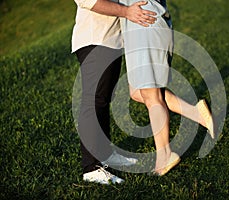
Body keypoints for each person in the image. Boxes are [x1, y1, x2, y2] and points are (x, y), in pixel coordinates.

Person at [120, 0, 215, 175]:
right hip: (136, 24)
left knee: (151, 94)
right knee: (136, 92)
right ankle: (197, 114)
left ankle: (165, 155)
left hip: (145, 23)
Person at [71, 0, 157, 184]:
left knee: (103, 99)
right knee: (94, 100)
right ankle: (91, 168)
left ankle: (105, 155)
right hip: (95, 39)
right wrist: (126, 11)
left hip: (112, 41)